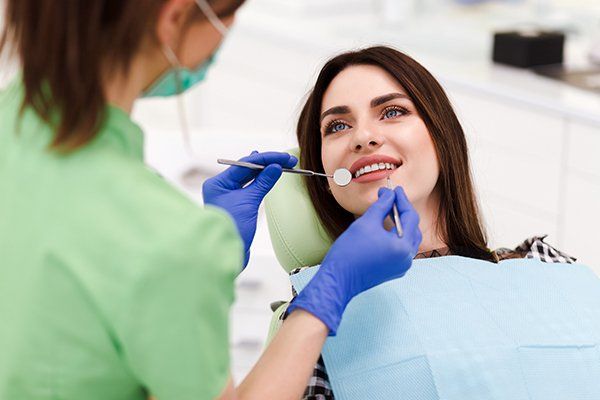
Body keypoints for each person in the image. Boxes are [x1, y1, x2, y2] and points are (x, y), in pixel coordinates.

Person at [0, 2, 423, 400]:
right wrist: (327, 293)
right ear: (174, 17)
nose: (365, 137)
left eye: (392, 112)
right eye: (227, 14)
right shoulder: (166, 240)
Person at [288, 46, 576, 399]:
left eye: (392, 111)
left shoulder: (544, 264)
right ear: (325, 179)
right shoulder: (316, 318)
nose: (363, 137)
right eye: (337, 126)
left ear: (442, 137)